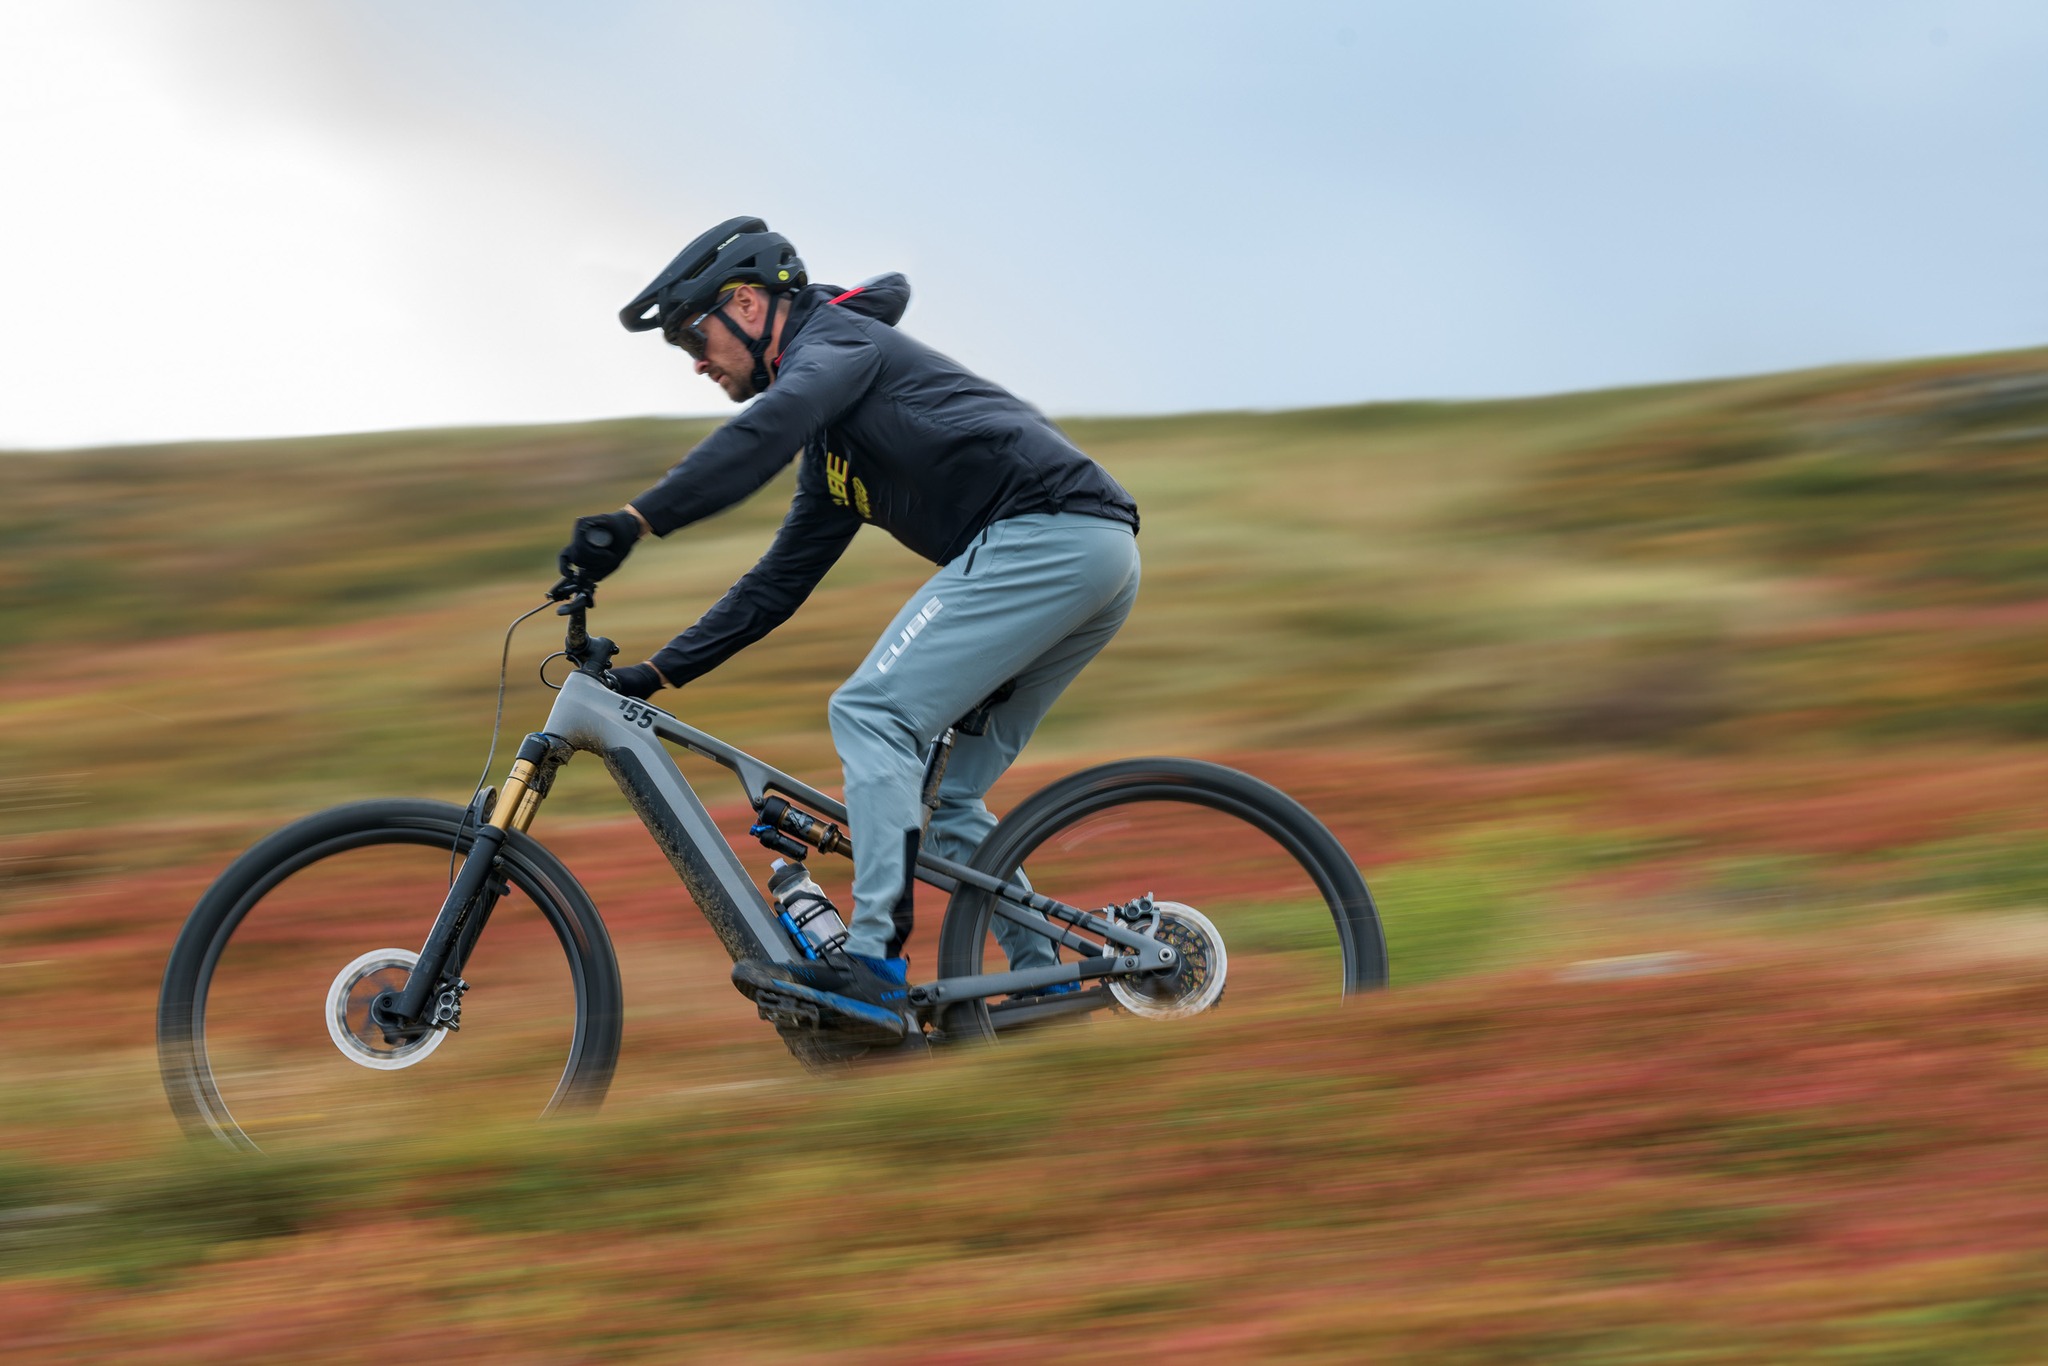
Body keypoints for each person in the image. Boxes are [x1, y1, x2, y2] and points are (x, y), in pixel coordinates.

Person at [559, 216, 1140, 1041]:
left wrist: (636, 520)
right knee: (949, 799)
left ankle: (871, 966)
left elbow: (761, 434)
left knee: (870, 713)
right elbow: (776, 584)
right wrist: (657, 675)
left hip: (1051, 537)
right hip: (1088, 556)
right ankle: (1049, 982)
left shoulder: (837, 349)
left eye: (696, 334)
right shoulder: (834, 446)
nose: (694, 359)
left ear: (751, 306)